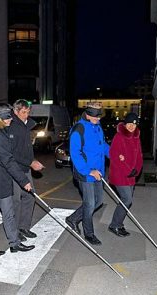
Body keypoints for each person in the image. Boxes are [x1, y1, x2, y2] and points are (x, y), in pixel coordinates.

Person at [0, 104, 35, 256]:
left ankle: (14, 243)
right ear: (0, 118)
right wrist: (24, 180)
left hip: (1, 179)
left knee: (9, 213)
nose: (11, 119)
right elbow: (8, 160)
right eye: (8, 117)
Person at [65, 102, 110, 245]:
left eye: (99, 116)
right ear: (88, 115)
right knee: (90, 204)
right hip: (85, 173)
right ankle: (89, 233)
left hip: (98, 172)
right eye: (96, 117)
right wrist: (89, 171)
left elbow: (102, 145)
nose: (99, 119)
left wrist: (114, 155)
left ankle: (72, 219)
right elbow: (75, 154)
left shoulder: (97, 126)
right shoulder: (78, 129)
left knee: (98, 201)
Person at [9, 99, 45, 242]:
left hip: (25, 168)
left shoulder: (26, 125)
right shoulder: (11, 126)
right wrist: (31, 162)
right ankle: (15, 231)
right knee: (15, 201)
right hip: (14, 169)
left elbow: (25, 149)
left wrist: (32, 161)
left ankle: (24, 227)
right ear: (16, 111)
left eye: (28, 112)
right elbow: (12, 153)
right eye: (23, 112)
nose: (26, 115)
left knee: (30, 197)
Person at [108, 113, 143, 237]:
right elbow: (115, 156)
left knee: (126, 201)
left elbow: (139, 156)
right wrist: (129, 169)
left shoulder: (136, 137)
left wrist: (136, 170)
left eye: (134, 124)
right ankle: (114, 225)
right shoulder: (119, 137)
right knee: (127, 200)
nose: (132, 126)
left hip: (131, 176)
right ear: (125, 124)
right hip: (120, 175)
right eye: (129, 124)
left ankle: (119, 224)